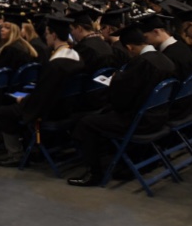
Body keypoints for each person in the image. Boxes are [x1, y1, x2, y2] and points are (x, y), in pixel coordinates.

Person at [67, 24, 176, 187]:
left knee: (86, 124)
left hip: (139, 121)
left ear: (130, 47)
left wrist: (117, 79)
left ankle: (95, 174)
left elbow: (122, 102)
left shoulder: (142, 64)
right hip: (159, 117)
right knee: (100, 116)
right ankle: (123, 162)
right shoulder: (165, 59)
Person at [0, 15, 85, 167]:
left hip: (53, 111)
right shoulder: (76, 56)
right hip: (69, 108)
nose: (46, 37)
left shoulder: (56, 64)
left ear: (54, 34)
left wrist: (24, 100)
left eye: (47, 33)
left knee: (3, 112)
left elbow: (42, 98)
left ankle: (15, 154)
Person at [137, 13, 192, 81]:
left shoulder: (167, 57)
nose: (146, 41)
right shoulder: (183, 46)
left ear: (156, 32)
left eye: (146, 37)